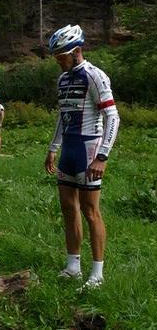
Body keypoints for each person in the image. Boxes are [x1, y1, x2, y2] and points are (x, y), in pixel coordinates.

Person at [44, 25, 120, 290]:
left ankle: (97, 274)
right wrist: (53, 148)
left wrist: (102, 156)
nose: (57, 61)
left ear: (76, 51)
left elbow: (113, 116)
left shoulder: (95, 76)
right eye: (55, 57)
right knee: (68, 208)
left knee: (90, 211)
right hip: (68, 152)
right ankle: (73, 266)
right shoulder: (62, 79)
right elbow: (62, 116)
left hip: (89, 149)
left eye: (61, 56)